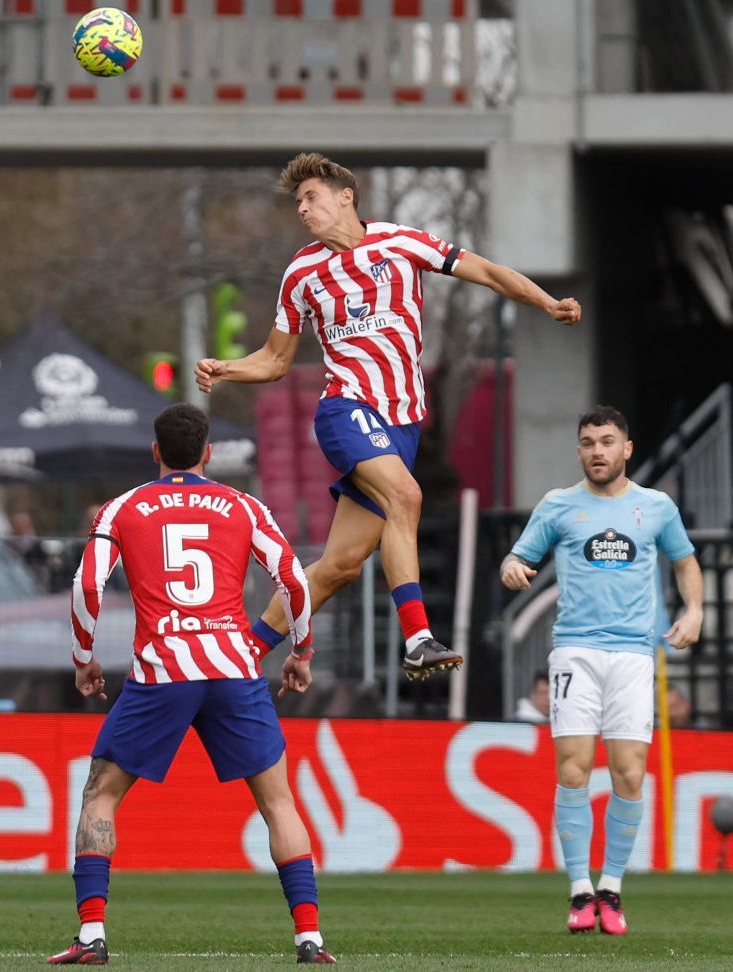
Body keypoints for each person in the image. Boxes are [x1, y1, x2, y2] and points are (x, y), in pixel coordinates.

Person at [195, 152, 582, 681]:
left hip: (400, 427)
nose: (303, 210)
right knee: (407, 496)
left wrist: (546, 302)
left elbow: (487, 271)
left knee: (339, 567)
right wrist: (227, 369)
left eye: (311, 197)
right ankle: (419, 637)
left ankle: (236, 655)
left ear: (345, 195)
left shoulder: (401, 243)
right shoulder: (302, 273)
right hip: (346, 409)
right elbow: (275, 360)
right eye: (298, 203)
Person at [48, 403, 336, 965]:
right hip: (234, 668)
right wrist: (301, 650)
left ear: (155, 452)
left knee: (101, 796)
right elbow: (294, 579)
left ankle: (91, 937)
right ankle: (309, 939)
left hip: (164, 671)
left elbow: (87, 585)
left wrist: (83, 658)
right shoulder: (242, 505)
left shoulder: (124, 507)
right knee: (278, 803)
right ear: (208, 453)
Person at [500, 406, 703, 935]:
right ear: (579, 450)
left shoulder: (655, 507)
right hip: (576, 652)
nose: (597, 451)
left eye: (607, 441)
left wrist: (696, 610)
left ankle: (611, 888)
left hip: (635, 654)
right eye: (588, 442)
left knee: (630, 773)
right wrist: (514, 567)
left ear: (627, 448)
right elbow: (515, 558)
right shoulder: (559, 505)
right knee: (572, 769)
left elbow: (685, 561)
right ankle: (578, 892)